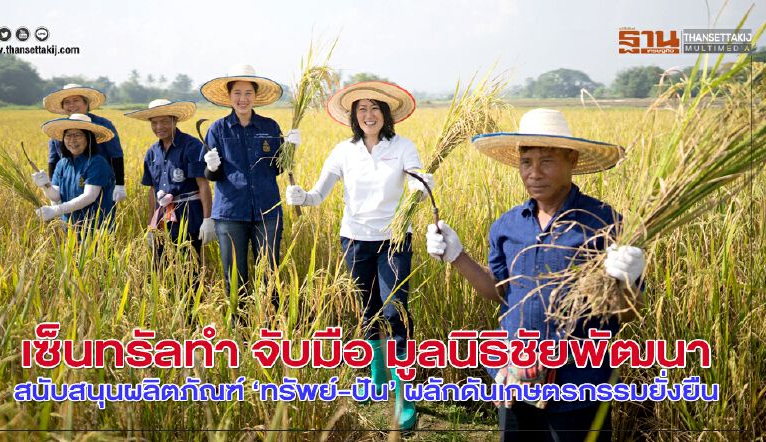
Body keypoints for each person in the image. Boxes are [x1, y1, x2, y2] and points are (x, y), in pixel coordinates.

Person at [426, 108, 646, 441]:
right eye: (526, 162)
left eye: (546, 161)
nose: (534, 173)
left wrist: (628, 281)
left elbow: (628, 311)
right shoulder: (507, 226)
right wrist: (457, 257)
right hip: (515, 376)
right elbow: (500, 290)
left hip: (578, 383)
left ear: (572, 159)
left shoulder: (603, 224)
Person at [285, 81, 433, 431]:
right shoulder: (343, 151)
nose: (368, 114)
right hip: (354, 241)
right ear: (353, 116)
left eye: (375, 108)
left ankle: (403, 394)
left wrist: (419, 187)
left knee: (396, 312)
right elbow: (318, 195)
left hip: (394, 240)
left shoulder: (402, 147)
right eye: (361, 109)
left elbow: (414, 181)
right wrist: (301, 196)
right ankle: (378, 379)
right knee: (367, 311)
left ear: (385, 114)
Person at [199, 64, 301, 312]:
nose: (242, 99)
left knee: (270, 275)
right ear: (229, 96)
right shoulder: (217, 129)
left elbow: (278, 168)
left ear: (255, 96)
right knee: (235, 278)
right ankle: (238, 334)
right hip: (230, 213)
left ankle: (271, 329)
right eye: (237, 93)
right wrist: (210, 165)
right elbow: (212, 175)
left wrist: (290, 148)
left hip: (267, 210)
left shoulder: (269, 127)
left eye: (248, 93)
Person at [124, 99, 216, 263]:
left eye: (164, 122)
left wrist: (207, 219)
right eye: (154, 123)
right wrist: (150, 226)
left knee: (189, 271)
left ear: (175, 120)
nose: (159, 127)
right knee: (160, 270)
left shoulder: (192, 146)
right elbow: (152, 191)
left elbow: (203, 185)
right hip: (161, 222)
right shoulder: (152, 153)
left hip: (189, 219)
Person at [42, 84, 127, 203]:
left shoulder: (102, 124)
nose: (71, 105)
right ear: (63, 107)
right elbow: (53, 160)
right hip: (68, 184)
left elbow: (116, 155)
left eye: (76, 100)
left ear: (86, 103)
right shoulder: (60, 128)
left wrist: (120, 184)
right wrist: (53, 188)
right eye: (67, 102)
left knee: (99, 215)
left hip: (100, 183)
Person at [32, 114, 116, 233]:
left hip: (95, 230)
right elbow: (56, 196)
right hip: (70, 229)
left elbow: (89, 197)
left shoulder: (97, 163)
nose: (72, 140)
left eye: (78, 135)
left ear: (88, 138)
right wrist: (45, 185)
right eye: (68, 136)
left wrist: (55, 210)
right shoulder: (62, 164)